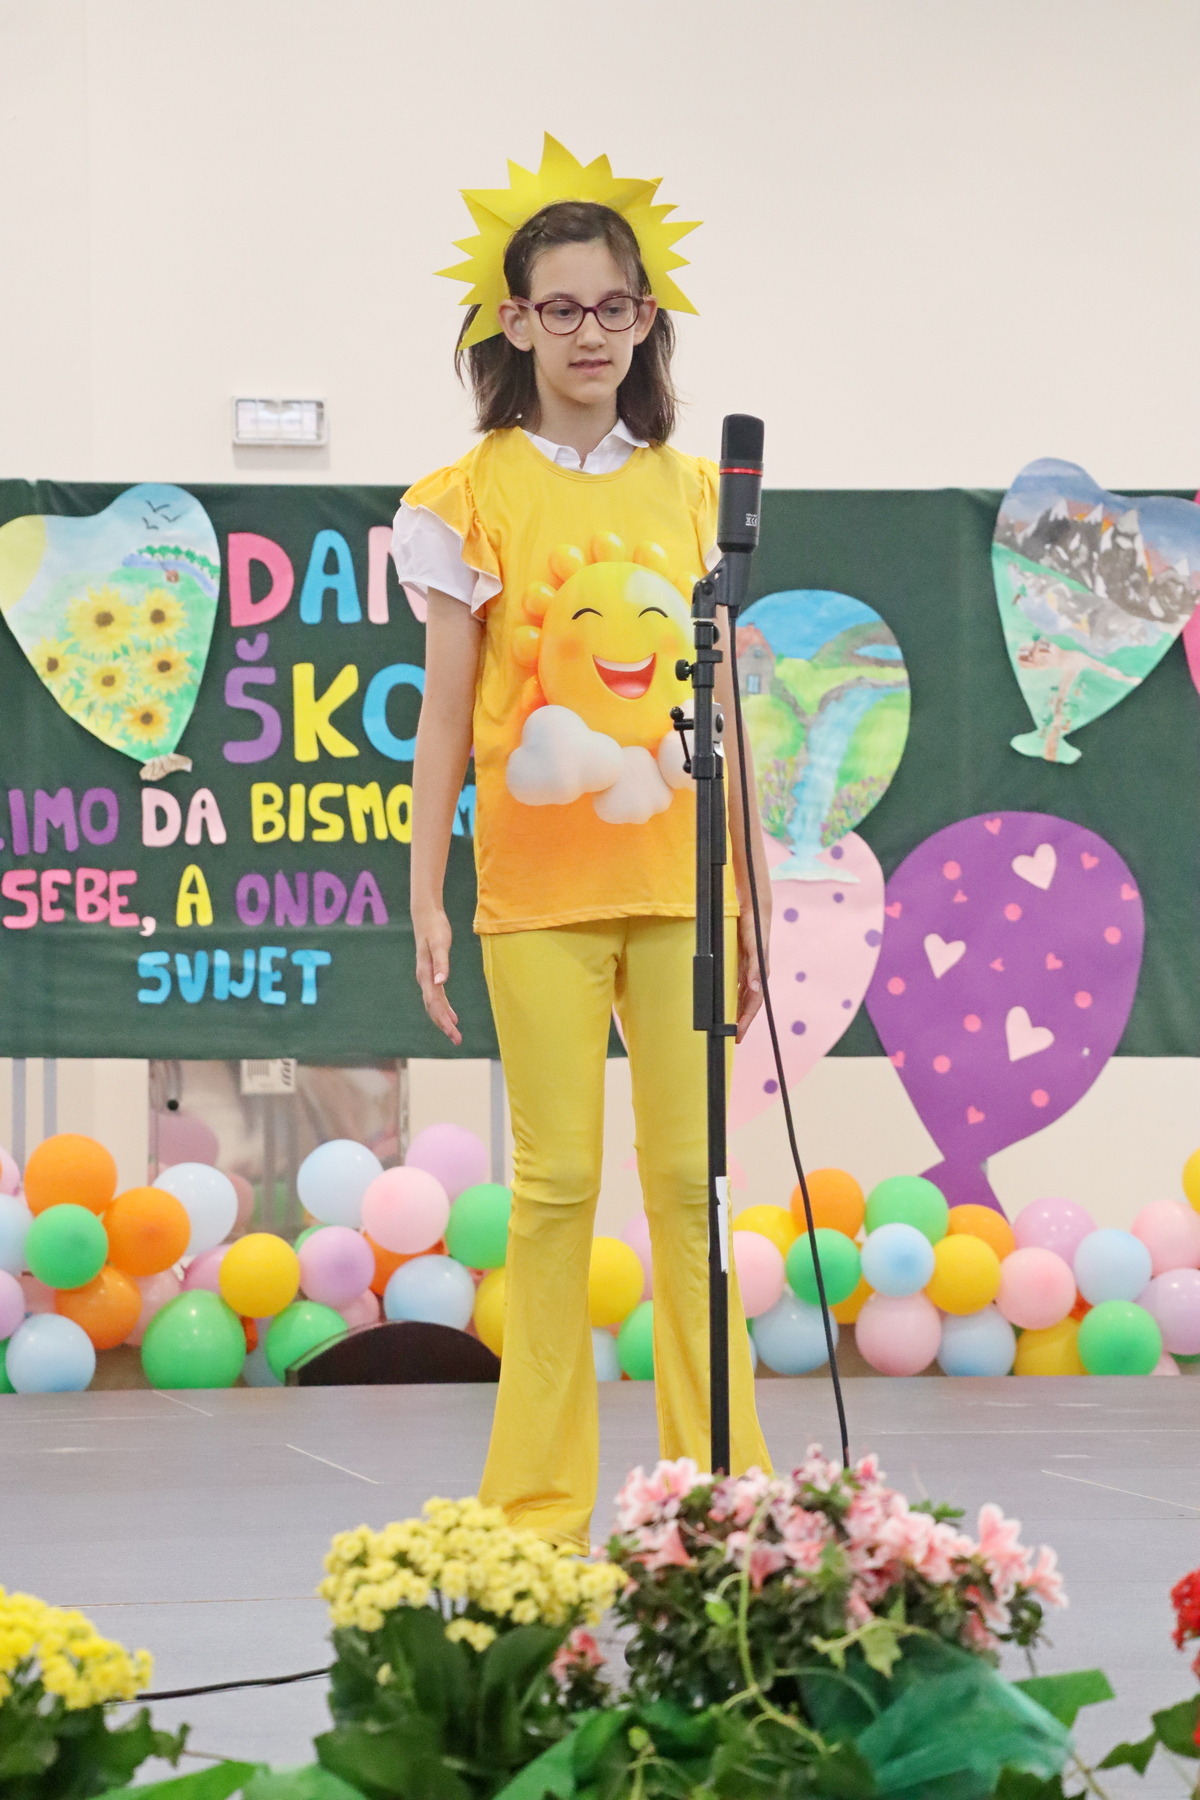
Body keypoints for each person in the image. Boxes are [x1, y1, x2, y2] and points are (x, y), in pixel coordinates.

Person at [395, 141, 772, 1549]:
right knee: (553, 1192)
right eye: (561, 308)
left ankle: (720, 1500)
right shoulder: (463, 498)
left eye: (614, 306)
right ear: (514, 322)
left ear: (645, 318)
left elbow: (723, 705)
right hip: (537, 899)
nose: (591, 333)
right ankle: (537, 1514)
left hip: (681, 892)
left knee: (691, 1189)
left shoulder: (692, 495)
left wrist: (756, 892)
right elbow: (445, 713)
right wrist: (425, 891)